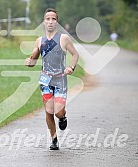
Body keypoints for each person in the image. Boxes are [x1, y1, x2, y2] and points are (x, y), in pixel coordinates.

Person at [25, 8, 79, 150]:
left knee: (58, 112)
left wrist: (71, 67)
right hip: (45, 80)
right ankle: (54, 139)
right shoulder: (39, 41)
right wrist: (29, 62)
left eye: (53, 19)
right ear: (43, 22)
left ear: (57, 22)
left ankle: (63, 117)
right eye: (47, 19)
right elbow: (33, 61)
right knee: (49, 111)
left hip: (60, 79)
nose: (50, 22)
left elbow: (75, 55)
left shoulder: (64, 38)